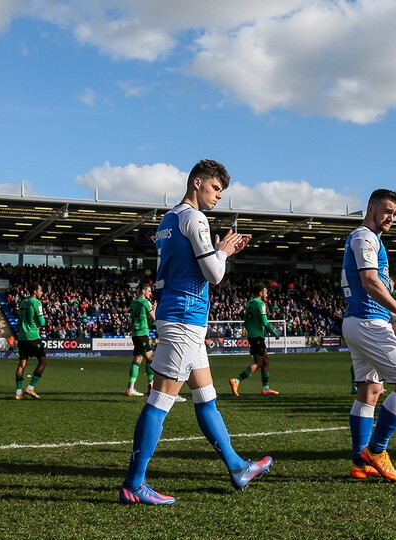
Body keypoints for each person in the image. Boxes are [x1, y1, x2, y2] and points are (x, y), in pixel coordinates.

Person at [120, 159, 270, 506]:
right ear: (198, 182)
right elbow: (214, 274)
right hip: (184, 317)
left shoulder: (168, 220)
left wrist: (217, 251)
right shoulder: (194, 217)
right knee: (160, 400)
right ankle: (134, 483)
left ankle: (237, 467)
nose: (219, 196)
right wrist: (224, 251)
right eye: (216, 188)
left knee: (206, 397)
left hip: (181, 316)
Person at [343, 189, 396, 483]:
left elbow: (370, 286)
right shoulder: (365, 237)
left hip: (363, 320)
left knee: (370, 392)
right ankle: (376, 451)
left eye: (395, 214)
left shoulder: (369, 238)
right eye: (387, 211)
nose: (391, 218)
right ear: (371, 208)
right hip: (367, 324)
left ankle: (359, 463)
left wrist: (390, 316)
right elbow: (370, 281)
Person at [350, 279, 396, 394]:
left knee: (369, 390)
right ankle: (359, 384)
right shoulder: (376, 290)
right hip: (374, 325)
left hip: (378, 325)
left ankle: (376, 385)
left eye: (390, 281)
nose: (388, 283)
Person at [229, 284, 282, 396]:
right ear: (260, 292)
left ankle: (265, 388)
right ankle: (236, 380)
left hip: (252, 336)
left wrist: (250, 332)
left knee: (265, 360)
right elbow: (265, 322)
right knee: (259, 362)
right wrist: (275, 333)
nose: (267, 294)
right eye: (265, 292)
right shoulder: (260, 304)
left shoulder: (249, 304)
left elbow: (246, 321)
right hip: (257, 336)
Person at [15, 282, 47, 400]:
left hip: (22, 337)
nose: (41, 292)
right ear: (35, 292)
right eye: (40, 290)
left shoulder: (23, 302)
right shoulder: (36, 303)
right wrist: (43, 318)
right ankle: (30, 387)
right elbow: (42, 323)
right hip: (32, 337)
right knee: (43, 362)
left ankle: (18, 393)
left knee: (22, 365)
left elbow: (19, 320)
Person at [126, 282, 156, 397]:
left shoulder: (133, 302)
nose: (150, 294)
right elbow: (154, 319)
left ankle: (147, 386)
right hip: (142, 333)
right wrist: (154, 309)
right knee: (146, 359)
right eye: (149, 291)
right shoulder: (145, 302)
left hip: (135, 334)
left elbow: (132, 318)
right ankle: (134, 388)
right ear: (143, 291)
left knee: (145, 358)